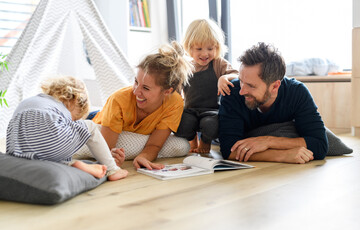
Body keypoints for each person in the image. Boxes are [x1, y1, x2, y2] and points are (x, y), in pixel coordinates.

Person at [219, 42, 328, 164]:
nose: (242, 91)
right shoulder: (231, 91)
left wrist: (268, 141)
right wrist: (281, 155)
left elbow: (320, 145)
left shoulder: (296, 92)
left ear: (275, 86)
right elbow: (229, 150)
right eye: (241, 81)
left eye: (251, 85)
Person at [90, 41, 193, 170]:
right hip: (101, 127)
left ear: (167, 91)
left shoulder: (175, 102)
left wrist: (144, 157)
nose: (136, 91)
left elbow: (155, 144)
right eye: (136, 82)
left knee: (182, 146)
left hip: (137, 137)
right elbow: (105, 149)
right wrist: (110, 157)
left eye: (145, 88)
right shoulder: (118, 100)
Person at [6, 76, 128, 181]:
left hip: (17, 151)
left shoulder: (32, 101)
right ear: (74, 99)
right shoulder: (59, 108)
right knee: (90, 126)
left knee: (43, 157)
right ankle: (113, 170)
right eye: (74, 119)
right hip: (51, 139)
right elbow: (54, 137)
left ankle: (70, 164)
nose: (72, 123)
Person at [174, 19, 239, 153]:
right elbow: (176, 91)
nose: (205, 54)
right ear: (189, 48)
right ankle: (193, 142)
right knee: (181, 124)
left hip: (211, 111)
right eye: (199, 49)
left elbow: (238, 76)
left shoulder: (218, 63)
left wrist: (224, 77)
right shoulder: (185, 67)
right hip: (190, 110)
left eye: (210, 48)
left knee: (212, 125)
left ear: (217, 47)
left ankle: (205, 142)